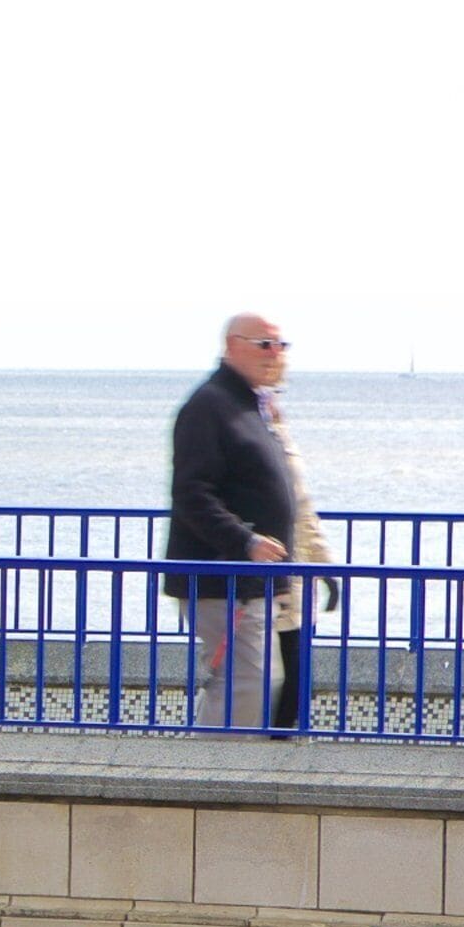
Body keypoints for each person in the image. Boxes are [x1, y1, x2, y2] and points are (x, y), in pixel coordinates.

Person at [162, 312, 310, 732]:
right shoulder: (210, 406)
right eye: (264, 344)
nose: (275, 354)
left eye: (281, 345)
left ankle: (224, 776)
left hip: (253, 581)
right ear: (232, 347)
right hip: (223, 580)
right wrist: (245, 542)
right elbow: (191, 494)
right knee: (248, 682)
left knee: (259, 681)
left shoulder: (250, 405)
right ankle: (213, 780)